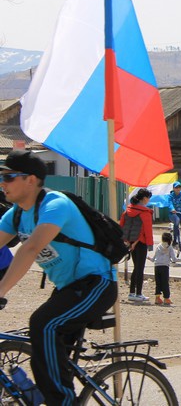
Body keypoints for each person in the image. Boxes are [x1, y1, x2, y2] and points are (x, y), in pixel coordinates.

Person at [0, 150, 117, 404]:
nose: (2, 183)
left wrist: (1, 290)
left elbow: (30, 248)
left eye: (9, 177)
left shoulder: (56, 204)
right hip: (69, 289)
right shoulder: (17, 214)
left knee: (43, 323)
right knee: (45, 348)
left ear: (30, 180)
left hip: (97, 284)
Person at [124, 188, 154, 302]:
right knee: (140, 269)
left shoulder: (128, 210)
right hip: (141, 243)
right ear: (144, 198)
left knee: (136, 268)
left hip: (130, 243)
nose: (148, 200)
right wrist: (149, 244)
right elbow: (147, 230)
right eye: (148, 198)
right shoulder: (145, 212)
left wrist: (128, 242)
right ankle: (138, 293)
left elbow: (123, 225)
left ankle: (131, 292)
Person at [149, 231, 181, 305]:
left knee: (158, 283)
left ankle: (157, 298)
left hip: (157, 266)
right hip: (164, 267)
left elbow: (153, 259)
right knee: (165, 283)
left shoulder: (158, 246)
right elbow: (174, 259)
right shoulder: (170, 248)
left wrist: (147, 257)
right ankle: (166, 298)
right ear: (170, 240)